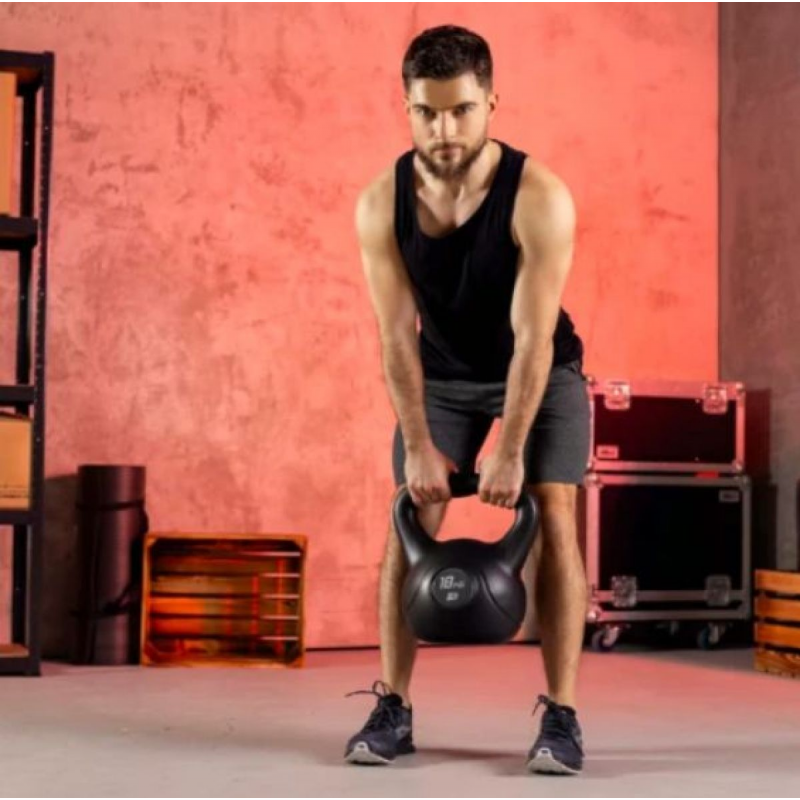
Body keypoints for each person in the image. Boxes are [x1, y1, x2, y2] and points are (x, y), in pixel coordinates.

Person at [346, 24, 590, 776]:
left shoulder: (539, 197)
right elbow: (396, 335)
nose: (444, 131)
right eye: (427, 112)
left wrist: (510, 449)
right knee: (407, 517)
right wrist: (419, 443)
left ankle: (562, 716)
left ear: (491, 103)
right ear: (407, 107)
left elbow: (533, 340)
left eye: (461, 110)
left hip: (540, 371)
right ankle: (393, 707)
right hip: (443, 376)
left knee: (553, 516)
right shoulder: (381, 202)